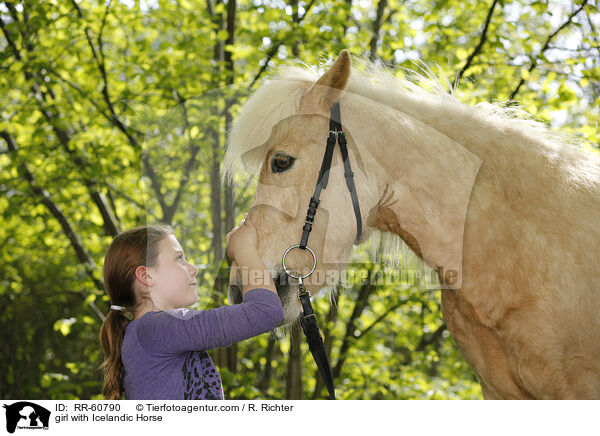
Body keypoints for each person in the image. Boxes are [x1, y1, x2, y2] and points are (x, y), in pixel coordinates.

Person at [98, 213, 283, 400]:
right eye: (179, 258)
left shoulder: (149, 332)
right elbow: (265, 311)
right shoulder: (157, 328)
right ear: (146, 276)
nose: (194, 269)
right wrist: (244, 250)